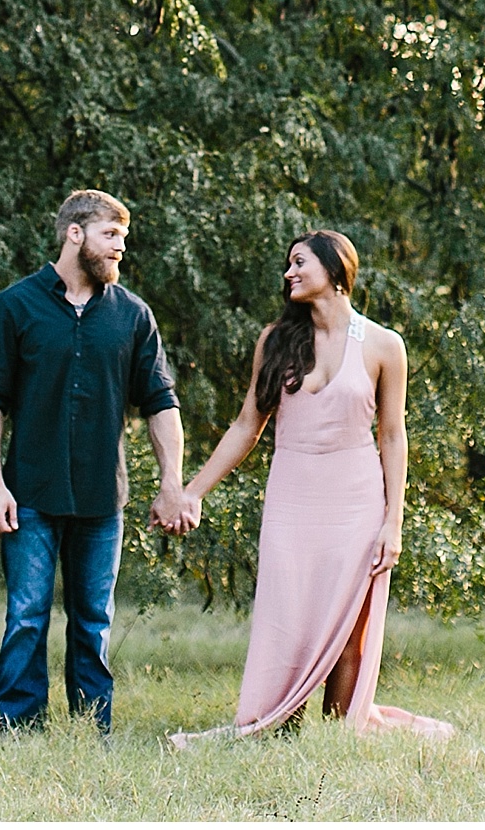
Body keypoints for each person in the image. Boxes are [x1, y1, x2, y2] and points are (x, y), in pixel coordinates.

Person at [168, 231, 455, 744]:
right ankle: (280, 722)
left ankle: (342, 728)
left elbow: (393, 436)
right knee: (289, 616)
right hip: (292, 494)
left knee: (350, 621)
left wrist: (394, 521)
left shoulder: (385, 345)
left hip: (357, 498)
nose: (289, 273)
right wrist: (194, 490)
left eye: (300, 262)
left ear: (336, 268)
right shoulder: (275, 339)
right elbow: (245, 426)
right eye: (288, 264)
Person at [0, 189, 195, 734]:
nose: (120, 248)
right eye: (110, 235)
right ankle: (20, 731)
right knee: (26, 616)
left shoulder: (133, 315)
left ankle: (92, 729)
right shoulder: (15, 306)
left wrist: (172, 483)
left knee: (93, 620)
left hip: (102, 496)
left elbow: (161, 403)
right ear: (75, 234)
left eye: (123, 238)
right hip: (30, 493)